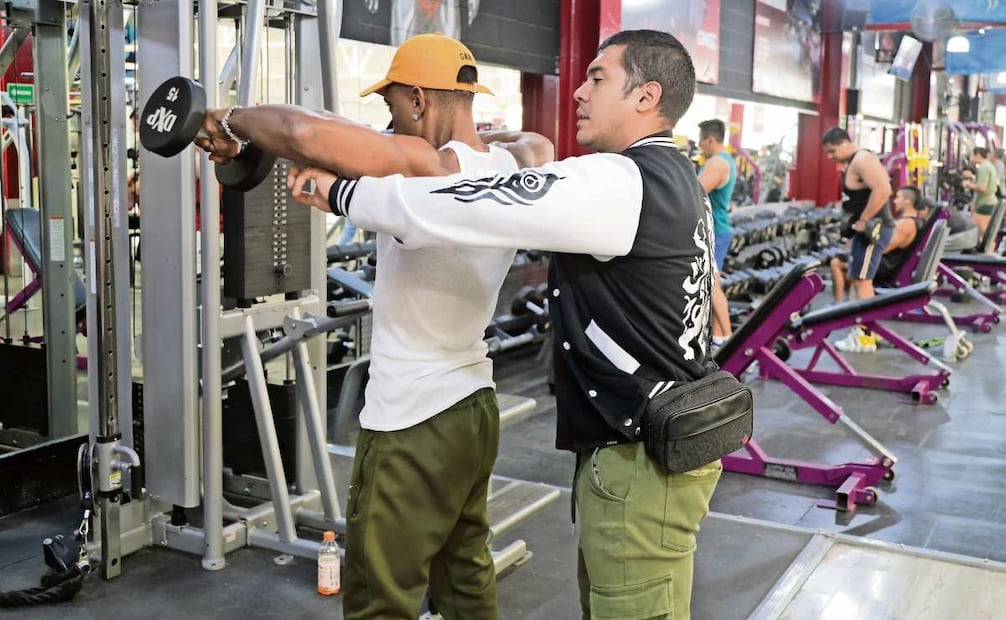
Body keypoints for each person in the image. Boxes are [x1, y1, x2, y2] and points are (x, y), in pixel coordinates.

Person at [289, 29, 722, 620]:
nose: (578, 91)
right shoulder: (673, 173)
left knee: (383, 593)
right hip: (598, 431)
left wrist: (337, 190)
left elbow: (444, 202)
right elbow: (531, 153)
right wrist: (496, 144)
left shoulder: (619, 181)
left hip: (631, 452)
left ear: (646, 97)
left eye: (597, 78)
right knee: (473, 574)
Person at [194, 33, 553, 619]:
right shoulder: (516, 163)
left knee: (377, 596)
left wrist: (228, 118)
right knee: (464, 576)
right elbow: (528, 138)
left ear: (417, 99)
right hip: (472, 407)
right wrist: (451, 135)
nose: (388, 129)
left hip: (413, 419)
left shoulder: (429, 171)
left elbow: (305, 134)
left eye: (392, 111)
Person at [821, 126, 894, 352]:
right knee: (861, 280)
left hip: (872, 230)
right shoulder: (853, 161)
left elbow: (883, 189)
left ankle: (864, 337)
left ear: (844, 142)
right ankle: (869, 330)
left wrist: (863, 220)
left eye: (832, 151)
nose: (831, 157)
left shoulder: (862, 159)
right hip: (861, 233)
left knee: (862, 281)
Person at [830, 186, 925, 314]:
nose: (894, 201)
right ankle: (845, 304)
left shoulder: (905, 224)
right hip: (887, 263)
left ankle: (837, 307)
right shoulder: (912, 222)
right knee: (848, 259)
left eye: (898, 197)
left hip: (887, 267)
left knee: (836, 262)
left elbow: (882, 248)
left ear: (907, 201)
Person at [696, 118, 736, 347]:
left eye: (701, 140)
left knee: (712, 284)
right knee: (712, 282)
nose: (700, 145)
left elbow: (694, 194)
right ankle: (720, 336)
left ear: (710, 139)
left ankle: (729, 339)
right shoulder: (722, 160)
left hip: (714, 231)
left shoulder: (718, 163)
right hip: (715, 230)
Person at [961, 147, 999, 243]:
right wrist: (973, 177)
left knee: (982, 234)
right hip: (989, 202)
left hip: (984, 204)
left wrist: (968, 184)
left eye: (972, 155)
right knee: (985, 235)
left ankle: (986, 256)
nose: (971, 158)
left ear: (977, 155)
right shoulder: (988, 166)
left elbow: (982, 188)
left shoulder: (983, 168)